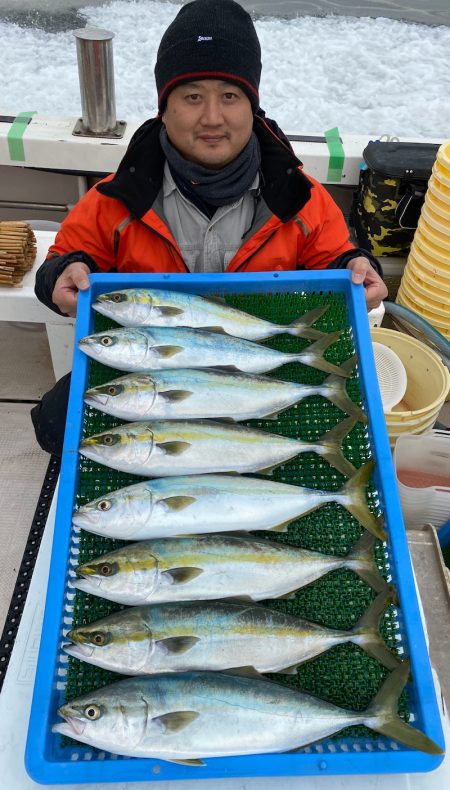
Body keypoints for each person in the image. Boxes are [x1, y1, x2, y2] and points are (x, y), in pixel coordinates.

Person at [32, 0, 387, 456]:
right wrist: (61, 274)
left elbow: (332, 257)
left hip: (256, 364)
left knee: (347, 418)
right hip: (154, 370)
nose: (213, 117)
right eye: (192, 96)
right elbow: (67, 254)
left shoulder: (300, 197)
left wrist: (356, 266)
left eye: (230, 96)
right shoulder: (115, 198)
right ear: (164, 107)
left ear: (253, 106)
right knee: (54, 423)